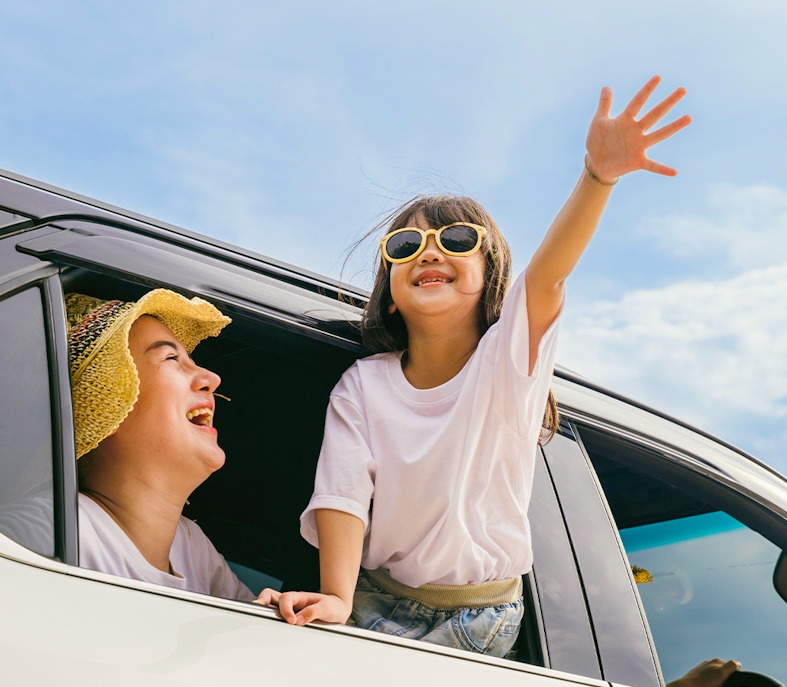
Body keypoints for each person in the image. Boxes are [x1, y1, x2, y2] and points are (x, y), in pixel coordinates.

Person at [256, 74, 693, 657]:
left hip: (479, 616)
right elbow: (342, 495)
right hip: (376, 596)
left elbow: (548, 275)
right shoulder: (363, 385)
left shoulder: (506, 364)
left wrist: (598, 176)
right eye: (405, 247)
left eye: (458, 239)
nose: (430, 251)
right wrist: (336, 598)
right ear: (390, 294)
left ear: (491, 280)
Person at [0, 288, 253, 601]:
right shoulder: (42, 530)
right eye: (172, 358)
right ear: (112, 408)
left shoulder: (192, 546)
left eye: (191, 359)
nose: (211, 377)